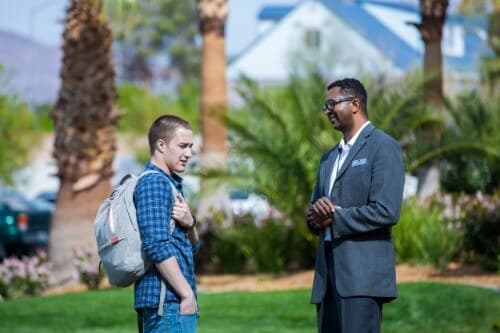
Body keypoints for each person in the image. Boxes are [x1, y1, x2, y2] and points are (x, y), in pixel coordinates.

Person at [307, 78, 405, 333]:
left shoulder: (384, 147)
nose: (327, 110)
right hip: (327, 280)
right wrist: (315, 218)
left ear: (354, 104)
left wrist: (335, 218)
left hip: (362, 281)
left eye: (332, 104)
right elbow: (315, 210)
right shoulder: (328, 158)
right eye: (325, 105)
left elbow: (386, 210)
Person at [134, 115, 199, 333]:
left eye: (190, 146)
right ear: (161, 145)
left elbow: (192, 247)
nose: (188, 153)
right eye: (182, 146)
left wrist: (190, 224)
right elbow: (156, 244)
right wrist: (186, 294)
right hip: (167, 304)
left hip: (172, 303)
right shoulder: (154, 182)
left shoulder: (170, 184)